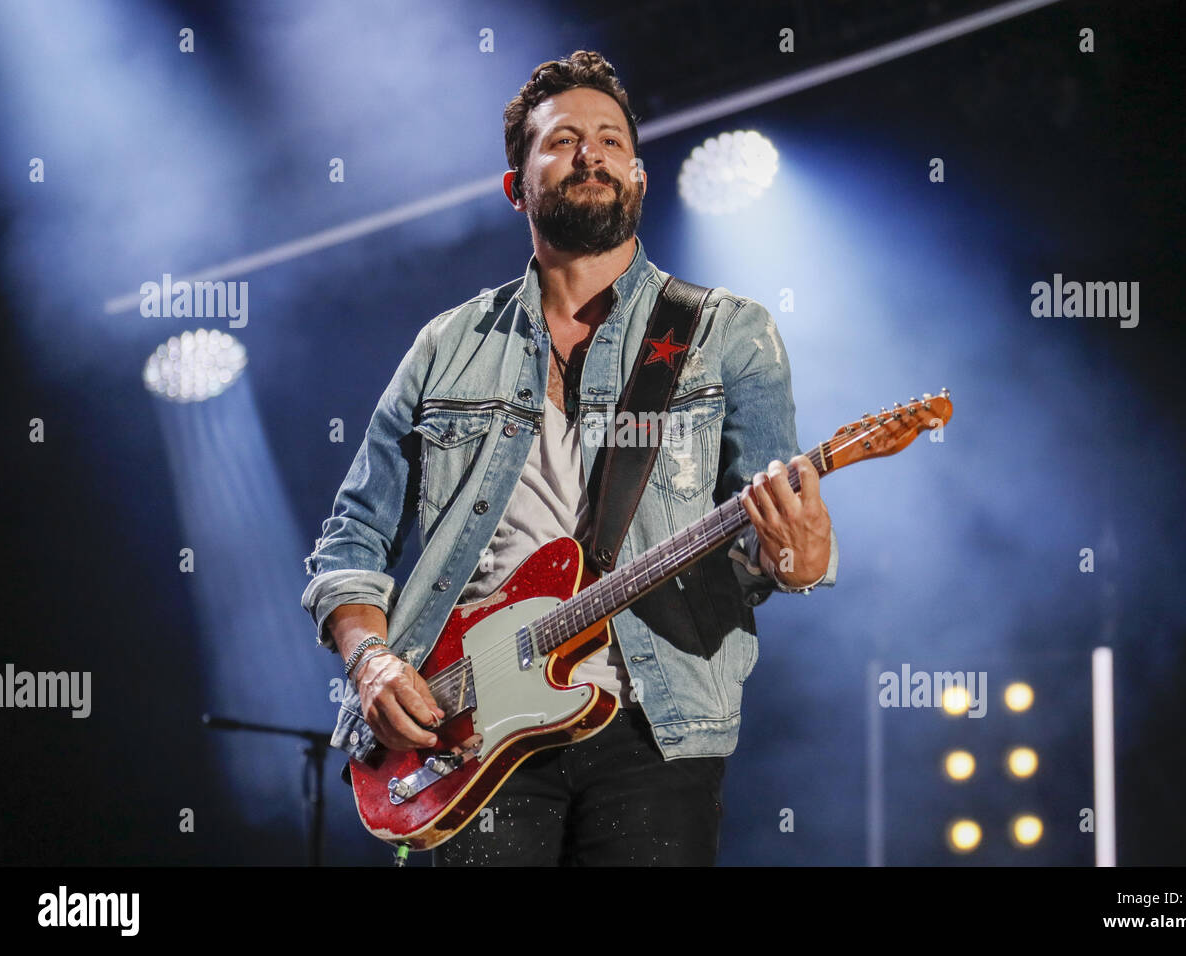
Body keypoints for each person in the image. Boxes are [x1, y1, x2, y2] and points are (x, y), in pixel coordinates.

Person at [301, 50, 838, 866]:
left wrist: (795, 556)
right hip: (464, 733)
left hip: (655, 730)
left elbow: (757, 544)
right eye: (560, 141)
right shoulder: (447, 346)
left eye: (610, 139)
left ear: (639, 176)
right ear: (516, 185)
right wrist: (371, 662)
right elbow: (351, 542)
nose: (589, 153)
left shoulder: (727, 333)